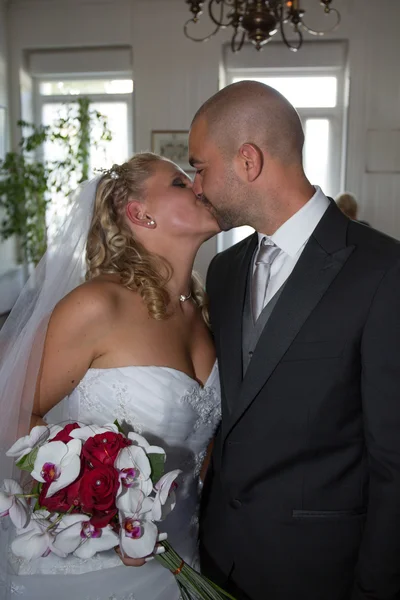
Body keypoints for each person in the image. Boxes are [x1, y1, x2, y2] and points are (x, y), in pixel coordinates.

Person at [188, 81, 400, 600]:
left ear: (248, 161)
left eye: (199, 167)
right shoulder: (223, 270)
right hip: (216, 558)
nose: (195, 186)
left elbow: (394, 463)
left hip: (321, 571)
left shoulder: (384, 271)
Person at [0, 153, 221, 600]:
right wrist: (88, 487)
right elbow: (13, 409)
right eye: (180, 184)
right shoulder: (98, 305)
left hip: (182, 556)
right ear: (140, 214)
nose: (198, 187)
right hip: (95, 566)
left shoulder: (202, 313)